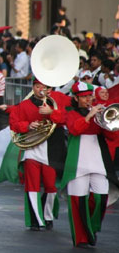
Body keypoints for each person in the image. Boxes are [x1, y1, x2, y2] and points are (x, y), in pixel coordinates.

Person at [61, 81, 119, 247]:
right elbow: (74, 129)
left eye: (89, 96)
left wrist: (108, 124)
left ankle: (91, 228)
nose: (88, 100)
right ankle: (81, 239)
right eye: (84, 97)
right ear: (76, 99)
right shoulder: (71, 113)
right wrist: (88, 116)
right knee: (77, 201)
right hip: (78, 163)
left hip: (98, 161)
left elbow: (112, 137)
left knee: (101, 197)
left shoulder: (97, 112)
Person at [9, 78, 67, 231]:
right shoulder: (24, 105)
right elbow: (14, 124)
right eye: (37, 86)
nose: (41, 89)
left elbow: (65, 120)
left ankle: (47, 216)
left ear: (49, 89)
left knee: (50, 185)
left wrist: (52, 112)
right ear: (33, 88)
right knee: (32, 185)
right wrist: (27, 125)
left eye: (45, 87)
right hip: (32, 149)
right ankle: (34, 219)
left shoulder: (56, 102)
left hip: (51, 149)